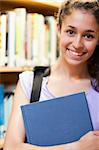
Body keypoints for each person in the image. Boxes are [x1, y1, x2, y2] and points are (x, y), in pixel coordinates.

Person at [4, 0, 99, 149]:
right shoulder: (30, 83)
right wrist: (77, 147)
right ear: (58, 29)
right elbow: (12, 147)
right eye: (71, 32)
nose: (77, 44)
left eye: (88, 36)